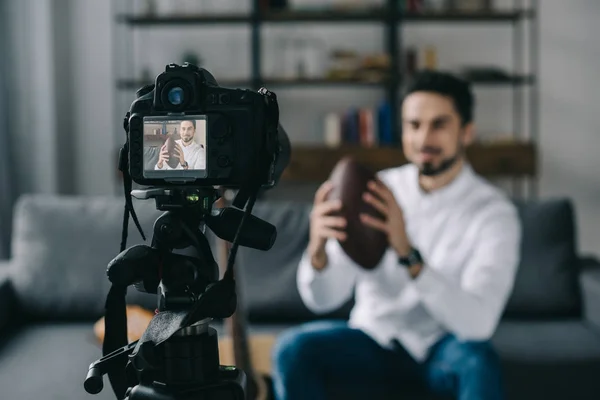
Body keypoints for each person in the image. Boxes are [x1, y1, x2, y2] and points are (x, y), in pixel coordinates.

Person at [271, 71, 522, 400]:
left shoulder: (494, 213)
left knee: (478, 360)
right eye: (414, 125)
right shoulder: (378, 190)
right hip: (373, 340)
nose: (424, 138)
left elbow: (478, 326)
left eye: (439, 124)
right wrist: (317, 254)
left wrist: (407, 252)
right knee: (293, 349)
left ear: (467, 132)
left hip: (443, 347)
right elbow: (323, 300)